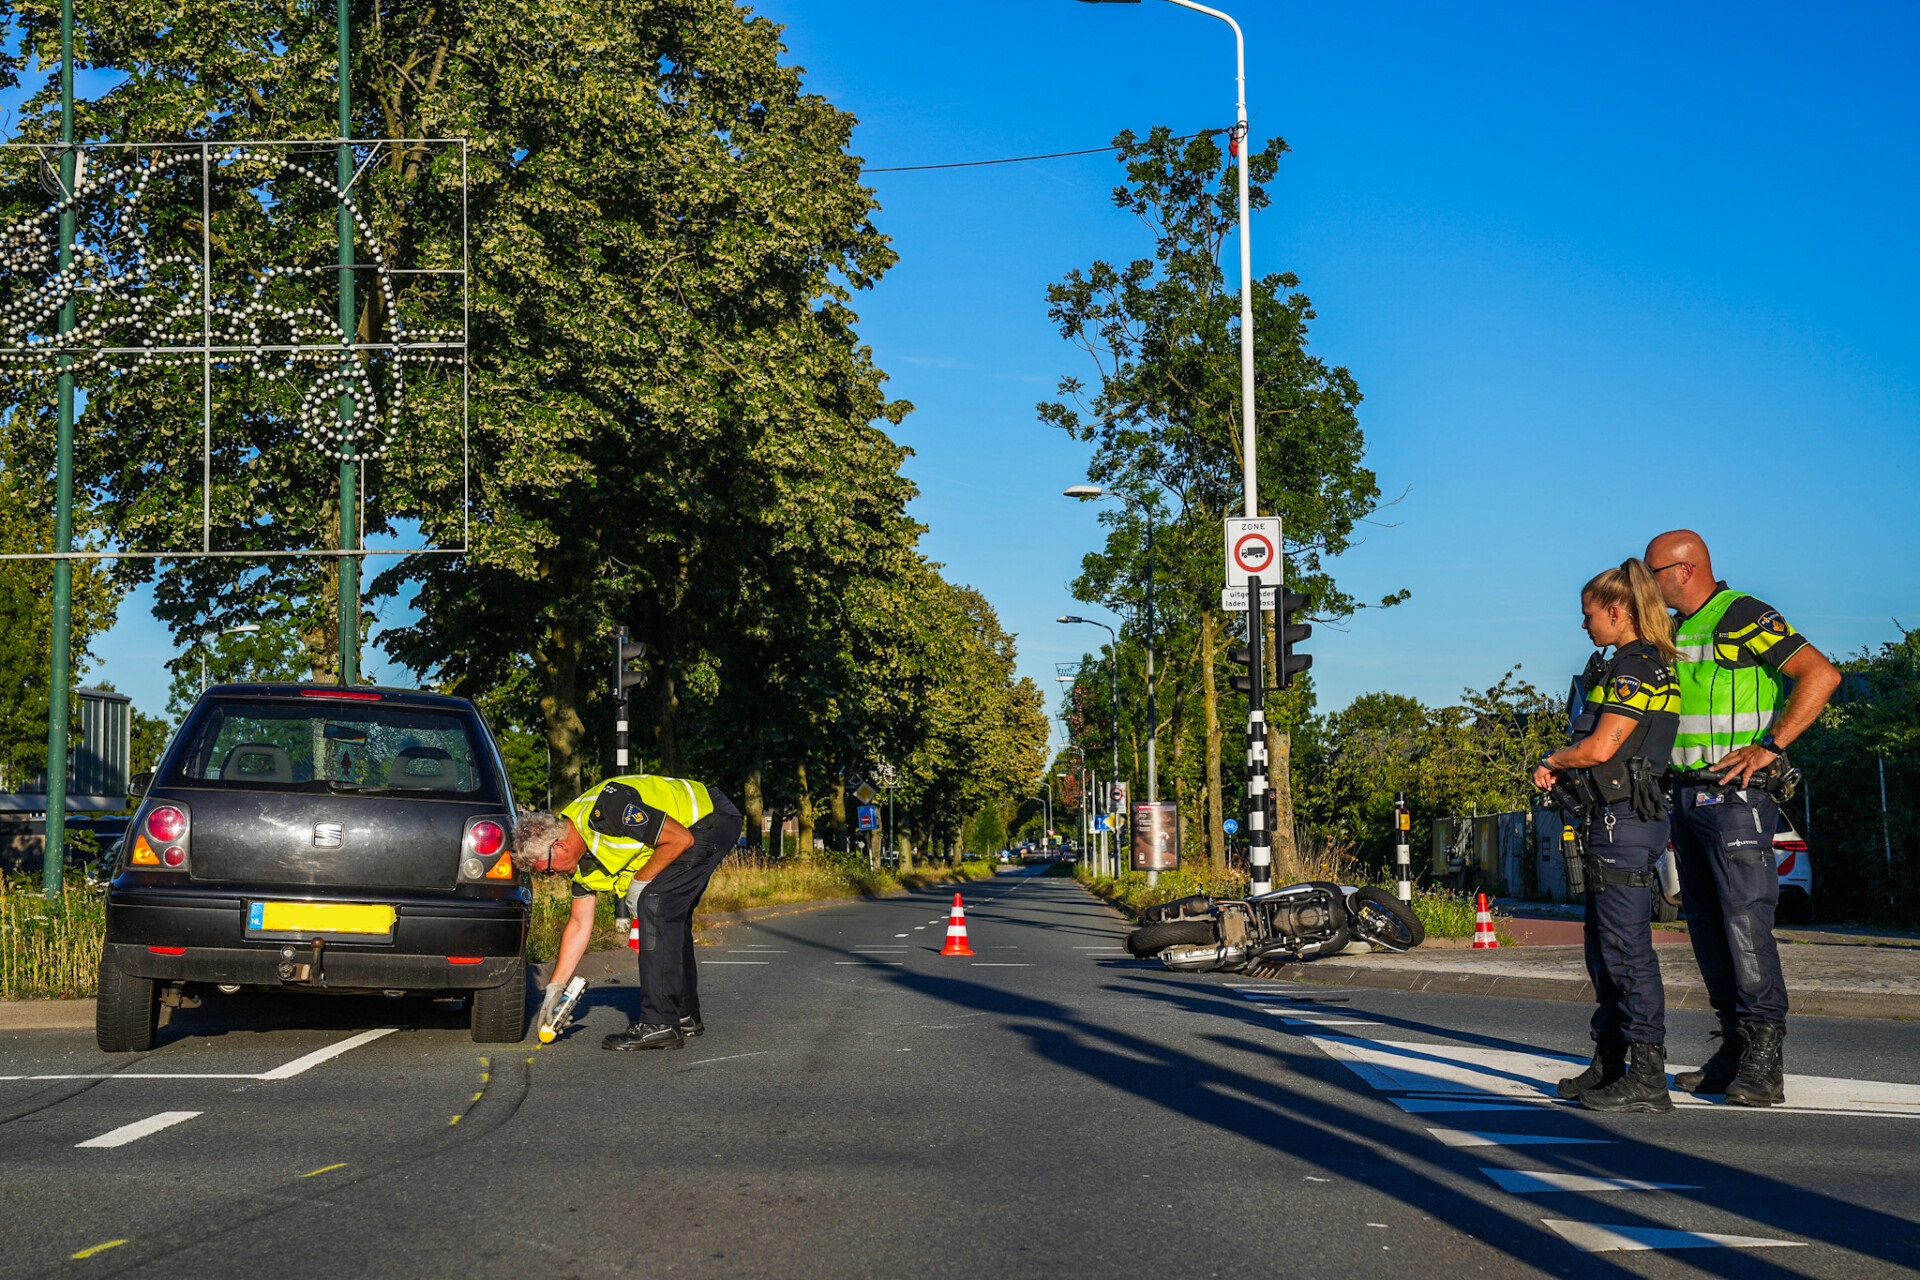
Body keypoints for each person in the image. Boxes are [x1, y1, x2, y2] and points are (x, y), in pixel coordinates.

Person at [1643, 529, 1840, 1106]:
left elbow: (1820, 674)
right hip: (1685, 797)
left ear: (1684, 569)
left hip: (1734, 797)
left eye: (1653, 574)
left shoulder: (1742, 614)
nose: (1647, 587)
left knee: (1744, 924)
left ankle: (1763, 1059)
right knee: (1704, 925)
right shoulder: (1675, 630)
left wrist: (1770, 747)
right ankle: (1732, 1046)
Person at [1534, 559, 1682, 1113]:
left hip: (1625, 820)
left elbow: (1600, 748)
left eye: (1588, 614)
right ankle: (1612, 1061)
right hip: (1614, 818)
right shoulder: (1632, 664)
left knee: (1626, 951)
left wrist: (1551, 758)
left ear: (1617, 612)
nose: (1584, 625)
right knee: (1603, 950)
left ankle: (1647, 1075)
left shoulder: (1635, 669)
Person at [514, 775, 743, 1051]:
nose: (551, 876)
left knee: (654, 901)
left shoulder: (609, 810)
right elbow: (578, 924)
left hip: (711, 818)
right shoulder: (582, 864)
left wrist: (639, 884)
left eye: (548, 869)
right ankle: (684, 1015)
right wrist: (554, 989)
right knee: (667, 910)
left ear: (559, 846)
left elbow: (680, 838)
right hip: (695, 830)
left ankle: (659, 1024)